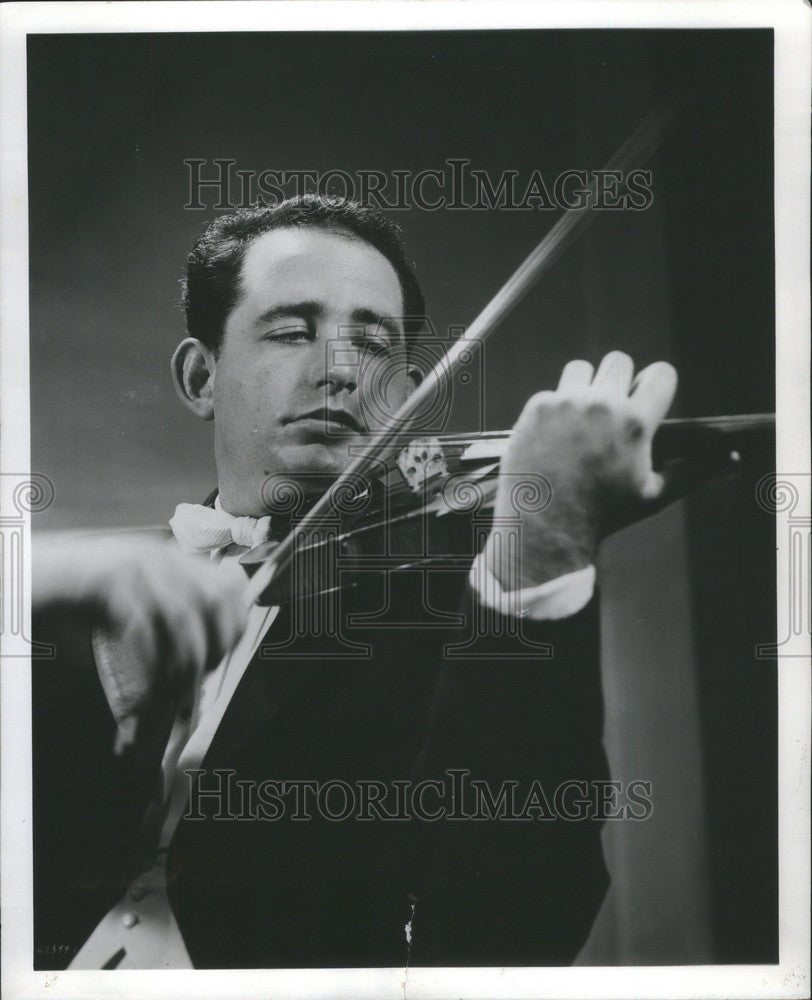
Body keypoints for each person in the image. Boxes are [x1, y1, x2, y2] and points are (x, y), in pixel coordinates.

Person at [32, 195, 684, 970]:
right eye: (291, 330)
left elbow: (517, 923)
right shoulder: (73, 595)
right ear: (202, 376)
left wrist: (539, 560)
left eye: (372, 346)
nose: (339, 371)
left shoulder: (465, 609)